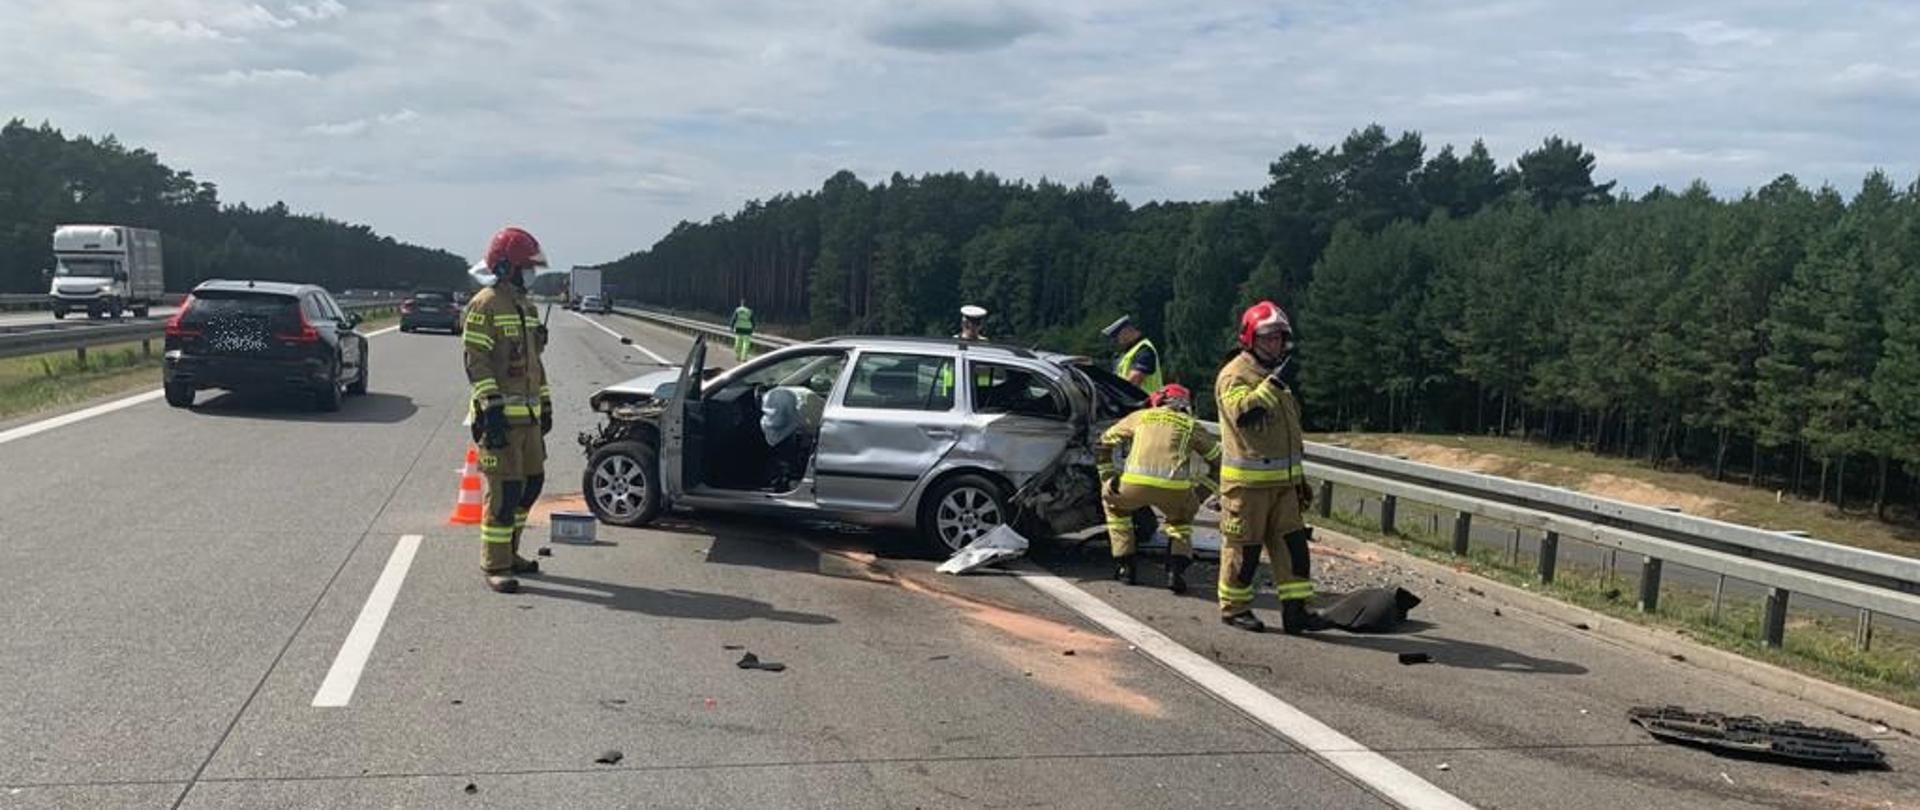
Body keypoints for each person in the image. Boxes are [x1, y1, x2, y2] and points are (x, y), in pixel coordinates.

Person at [1213, 300, 1325, 634]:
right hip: (1247, 488)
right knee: (1244, 552)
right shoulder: (1235, 374)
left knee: (1293, 549)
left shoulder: (1272, 377)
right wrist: (1273, 385)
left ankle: (1297, 610)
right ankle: (1235, 609)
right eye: (1268, 337)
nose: (1275, 344)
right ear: (1250, 338)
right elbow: (1244, 414)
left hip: (1283, 486)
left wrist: (1297, 480)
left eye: (1279, 338)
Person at [463, 226, 553, 594]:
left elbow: (534, 364)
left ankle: (511, 551)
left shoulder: (526, 307)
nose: (531, 275)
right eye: (526, 268)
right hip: (500, 420)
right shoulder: (485, 304)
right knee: (504, 495)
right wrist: (492, 408)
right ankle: (495, 563)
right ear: (505, 267)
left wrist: (545, 403)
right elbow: (476, 361)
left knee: (531, 485)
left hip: (528, 420)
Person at [1096, 383, 1219, 593]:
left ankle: (1126, 567)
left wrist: (1107, 477)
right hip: (1175, 491)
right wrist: (1199, 495)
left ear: (1159, 400)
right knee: (1180, 522)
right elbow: (1219, 461)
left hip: (1132, 487)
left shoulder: (1141, 417)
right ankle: (1176, 572)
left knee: (1116, 509)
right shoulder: (1191, 425)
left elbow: (1104, 442)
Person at [1101, 315, 1163, 391]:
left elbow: (1134, 381)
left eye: (1117, 337)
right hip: (1127, 397)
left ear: (1127, 331)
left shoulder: (1144, 350)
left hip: (1146, 398)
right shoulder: (1126, 353)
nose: (1116, 341)